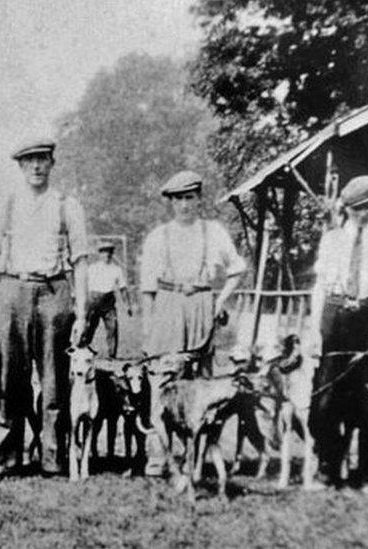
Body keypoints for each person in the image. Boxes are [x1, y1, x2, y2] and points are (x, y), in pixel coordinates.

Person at [0, 137, 89, 475]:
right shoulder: (7, 203)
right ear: (20, 166)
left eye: (42, 160)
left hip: (53, 293)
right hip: (10, 292)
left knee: (54, 380)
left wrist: (82, 311)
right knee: (7, 378)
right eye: (29, 161)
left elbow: (80, 262)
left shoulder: (67, 205)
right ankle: (6, 456)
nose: (36, 166)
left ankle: (52, 456)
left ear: (52, 163)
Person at [138, 170, 247, 475]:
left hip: (202, 306)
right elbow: (147, 288)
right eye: (178, 200)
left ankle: (196, 457)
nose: (184, 205)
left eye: (190, 198)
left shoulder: (214, 232)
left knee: (200, 383)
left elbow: (237, 269)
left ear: (199, 199)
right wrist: (148, 328)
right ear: (170, 203)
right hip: (168, 307)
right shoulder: (158, 237)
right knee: (163, 382)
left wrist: (220, 299)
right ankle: (158, 458)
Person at [307, 175, 368, 495]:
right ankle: (328, 469)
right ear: (346, 208)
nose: (365, 213)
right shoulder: (331, 240)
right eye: (358, 208)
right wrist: (315, 331)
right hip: (334, 317)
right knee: (325, 398)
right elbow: (319, 287)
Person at [80, 241, 131, 358]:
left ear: (112, 254)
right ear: (100, 254)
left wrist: (127, 305)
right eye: (104, 252)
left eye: (109, 252)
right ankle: (82, 351)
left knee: (112, 328)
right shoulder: (92, 268)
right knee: (89, 328)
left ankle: (112, 355)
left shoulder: (116, 269)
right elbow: (83, 286)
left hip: (108, 302)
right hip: (93, 301)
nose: (106, 255)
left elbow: (123, 288)